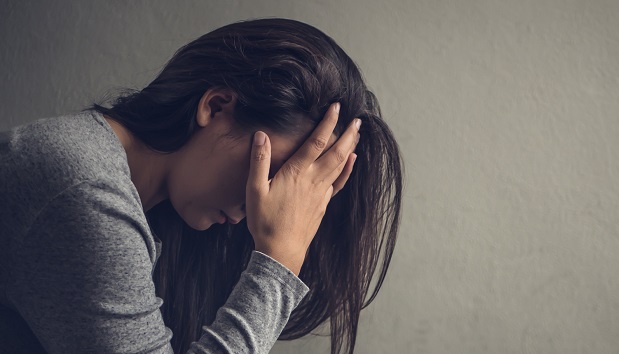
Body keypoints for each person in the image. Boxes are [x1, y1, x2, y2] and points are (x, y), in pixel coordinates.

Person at [0, 18, 402, 354]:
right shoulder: (83, 187)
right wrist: (279, 260)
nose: (266, 202)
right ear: (215, 107)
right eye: (275, 174)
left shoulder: (146, 215)